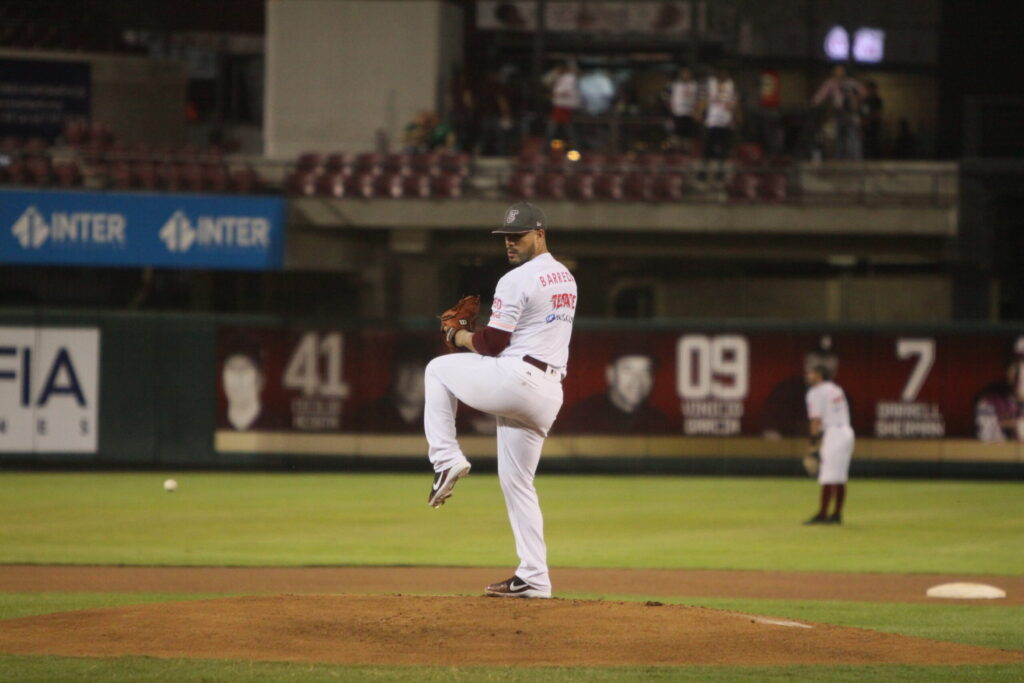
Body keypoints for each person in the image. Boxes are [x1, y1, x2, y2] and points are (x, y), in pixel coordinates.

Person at [423, 201, 576, 599]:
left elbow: (491, 344)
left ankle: (446, 460)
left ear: (539, 233)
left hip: (517, 378)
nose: (509, 243)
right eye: (506, 237)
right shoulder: (565, 278)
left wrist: (457, 337)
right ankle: (535, 577)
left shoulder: (516, 279)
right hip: (548, 391)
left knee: (438, 370)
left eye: (518, 235)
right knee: (518, 483)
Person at [564, 350, 674, 433]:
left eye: (645, 372)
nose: (637, 380)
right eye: (628, 370)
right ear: (611, 374)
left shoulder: (660, 423)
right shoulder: (583, 417)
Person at [803, 364, 854, 525]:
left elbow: (815, 421)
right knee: (840, 477)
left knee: (828, 476)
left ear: (819, 375)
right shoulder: (836, 389)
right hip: (847, 432)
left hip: (834, 434)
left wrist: (812, 447)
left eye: (811, 373)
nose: (808, 375)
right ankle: (836, 515)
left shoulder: (815, 392)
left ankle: (823, 514)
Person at [355, 339, 430, 433]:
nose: (413, 377)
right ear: (394, 372)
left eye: (420, 370)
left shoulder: (443, 419)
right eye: (407, 368)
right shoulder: (369, 417)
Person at [811, 65, 867, 160]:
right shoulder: (830, 83)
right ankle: (839, 158)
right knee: (839, 135)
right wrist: (814, 102)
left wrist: (856, 99)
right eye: (837, 73)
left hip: (851, 112)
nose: (839, 75)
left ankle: (855, 158)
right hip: (839, 112)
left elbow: (863, 92)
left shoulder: (851, 82)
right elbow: (821, 95)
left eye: (841, 73)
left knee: (853, 135)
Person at [697, 66, 740, 182]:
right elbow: (702, 102)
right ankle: (703, 172)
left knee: (724, 151)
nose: (723, 76)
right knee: (707, 150)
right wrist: (700, 114)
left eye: (725, 74)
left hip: (726, 124)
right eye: (721, 74)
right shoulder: (709, 86)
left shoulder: (732, 87)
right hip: (712, 123)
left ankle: (720, 173)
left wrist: (735, 114)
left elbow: (735, 104)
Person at [974, 346, 1024, 442]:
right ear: (1005, 368)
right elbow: (986, 437)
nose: (1020, 374)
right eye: (1015, 366)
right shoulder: (989, 399)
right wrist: (1015, 425)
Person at [221, 339, 267, 431]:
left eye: (244, 369)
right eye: (231, 368)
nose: (237, 377)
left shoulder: (275, 426)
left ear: (260, 379)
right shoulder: (214, 422)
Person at [662, 66, 699, 153]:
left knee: (687, 135)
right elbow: (664, 95)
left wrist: (697, 111)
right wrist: (670, 106)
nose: (686, 75)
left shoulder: (694, 85)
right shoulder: (674, 84)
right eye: (684, 73)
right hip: (677, 113)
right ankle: (675, 152)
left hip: (689, 113)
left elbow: (699, 99)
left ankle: (686, 152)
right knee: (676, 134)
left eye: (688, 74)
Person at [545, 62, 581, 150]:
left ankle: (575, 149)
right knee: (553, 129)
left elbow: (563, 91)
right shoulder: (558, 77)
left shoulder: (569, 77)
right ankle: (546, 149)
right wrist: (554, 75)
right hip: (559, 106)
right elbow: (546, 82)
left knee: (569, 130)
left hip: (566, 107)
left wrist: (555, 93)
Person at [859, 80, 883, 159]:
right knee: (866, 145)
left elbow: (878, 113)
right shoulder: (865, 101)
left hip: (874, 125)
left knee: (874, 144)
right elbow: (863, 113)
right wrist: (863, 123)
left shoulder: (877, 100)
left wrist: (871, 118)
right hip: (866, 126)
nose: (869, 91)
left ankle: (875, 159)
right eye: (867, 89)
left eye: (870, 89)